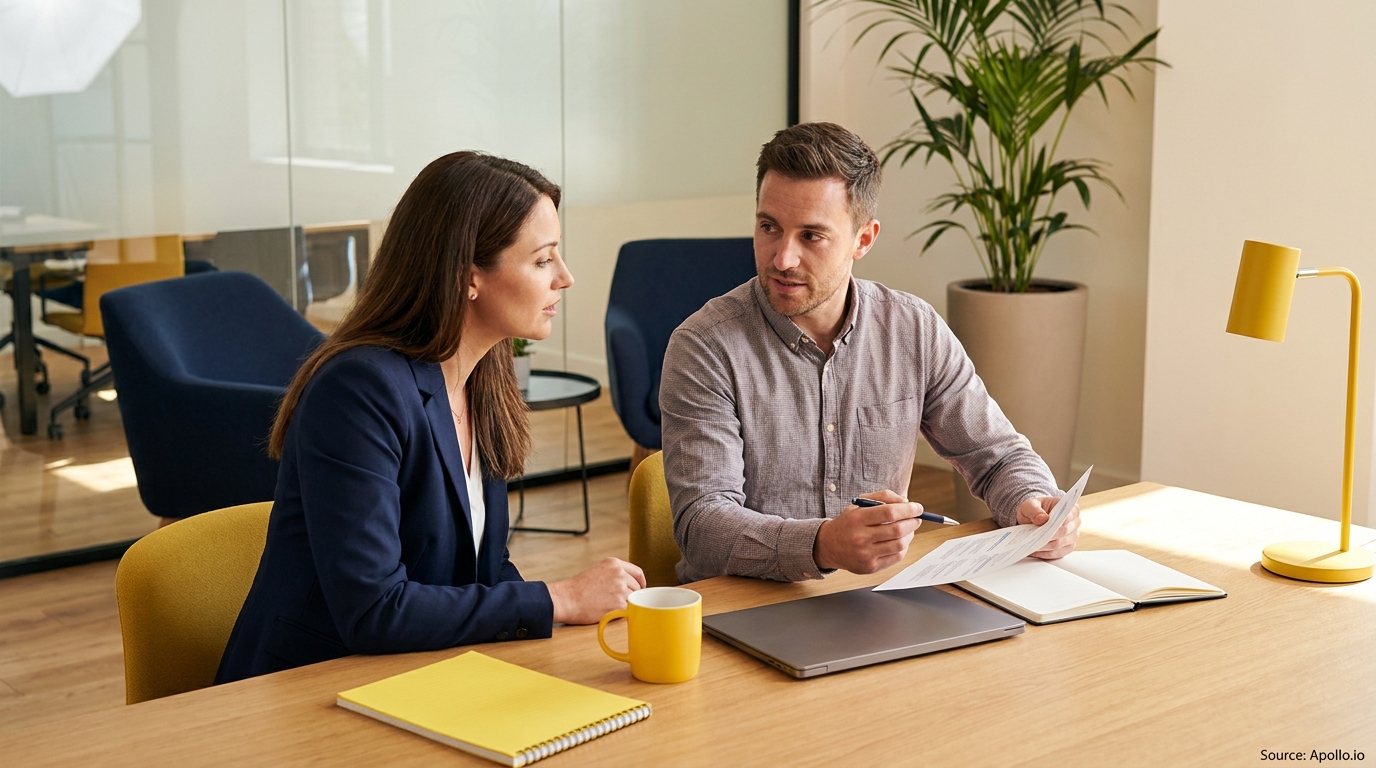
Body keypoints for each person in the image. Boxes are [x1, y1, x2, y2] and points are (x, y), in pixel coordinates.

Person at [216, 152, 644, 684]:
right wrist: (559, 599)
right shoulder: (358, 391)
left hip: (419, 678)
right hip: (309, 690)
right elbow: (374, 612)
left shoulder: (483, 378)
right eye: (542, 260)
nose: (565, 277)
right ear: (470, 277)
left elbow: (481, 573)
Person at [660, 122, 1080, 584]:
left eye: (811, 236)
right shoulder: (704, 346)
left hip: (875, 600)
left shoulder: (913, 329)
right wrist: (821, 544)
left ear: (864, 239)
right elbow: (701, 524)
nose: (782, 258)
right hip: (742, 606)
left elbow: (996, 455)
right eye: (769, 228)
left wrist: (1034, 502)